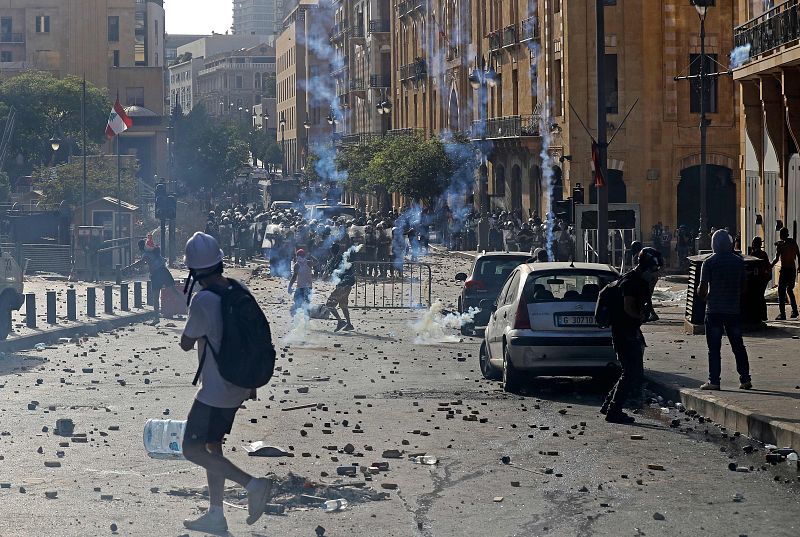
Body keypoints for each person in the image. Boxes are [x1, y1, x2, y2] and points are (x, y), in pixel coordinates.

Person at [178, 232, 273, 532]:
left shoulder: (203, 300)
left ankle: (252, 484)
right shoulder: (236, 287)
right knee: (212, 447)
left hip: (216, 391)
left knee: (191, 450)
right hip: (240, 385)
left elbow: (186, 342)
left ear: (194, 271)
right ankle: (216, 514)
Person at [601, 247, 662, 424]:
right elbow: (628, 306)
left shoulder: (639, 281)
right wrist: (639, 316)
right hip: (623, 332)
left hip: (629, 330)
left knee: (629, 371)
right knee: (630, 372)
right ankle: (614, 410)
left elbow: (644, 300)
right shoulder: (630, 281)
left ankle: (609, 405)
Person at [697, 230, 752, 390]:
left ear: (714, 244)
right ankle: (745, 379)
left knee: (714, 349)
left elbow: (702, 289)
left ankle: (714, 381)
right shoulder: (739, 262)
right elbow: (744, 287)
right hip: (733, 311)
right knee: (738, 346)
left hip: (714, 311)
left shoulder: (709, 262)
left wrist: (706, 297)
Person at [123, 236, 181, 314]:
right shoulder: (154, 251)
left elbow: (141, 263)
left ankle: (156, 318)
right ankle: (187, 305)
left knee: (156, 297)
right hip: (164, 271)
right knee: (174, 291)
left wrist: (128, 267)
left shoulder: (145, 254)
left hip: (156, 274)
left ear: (140, 247)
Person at [324, 243, 355, 332]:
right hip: (348, 284)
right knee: (343, 305)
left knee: (329, 305)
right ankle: (349, 324)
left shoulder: (335, 260)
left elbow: (328, 273)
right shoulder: (343, 258)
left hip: (342, 286)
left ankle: (340, 321)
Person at [771, 227, 800, 320]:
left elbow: (776, 259)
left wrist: (769, 266)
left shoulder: (781, 246)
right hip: (792, 269)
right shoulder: (793, 243)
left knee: (781, 291)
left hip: (785, 270)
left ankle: (782, 314)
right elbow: (799, 255)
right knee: (790, 290)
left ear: (781, 235)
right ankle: (794, 311)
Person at [748, 236, 771, 322]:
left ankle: (759, 315)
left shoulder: (753, 255)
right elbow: (768, 265)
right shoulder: (763, 254)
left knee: (758, 296)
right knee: (761, 296)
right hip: (763, 278)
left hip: (757, 278)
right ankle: (763, 315)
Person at [287, 248, 314, 316]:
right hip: (308, 287)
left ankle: (298, 318)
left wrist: (289, 287)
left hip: (300, 287)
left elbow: (294, 277)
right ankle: (307, 320)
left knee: (297, 302)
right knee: (307, 304)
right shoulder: (309, 262)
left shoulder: (297, 265)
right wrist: (311, 256)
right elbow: (317, 262)